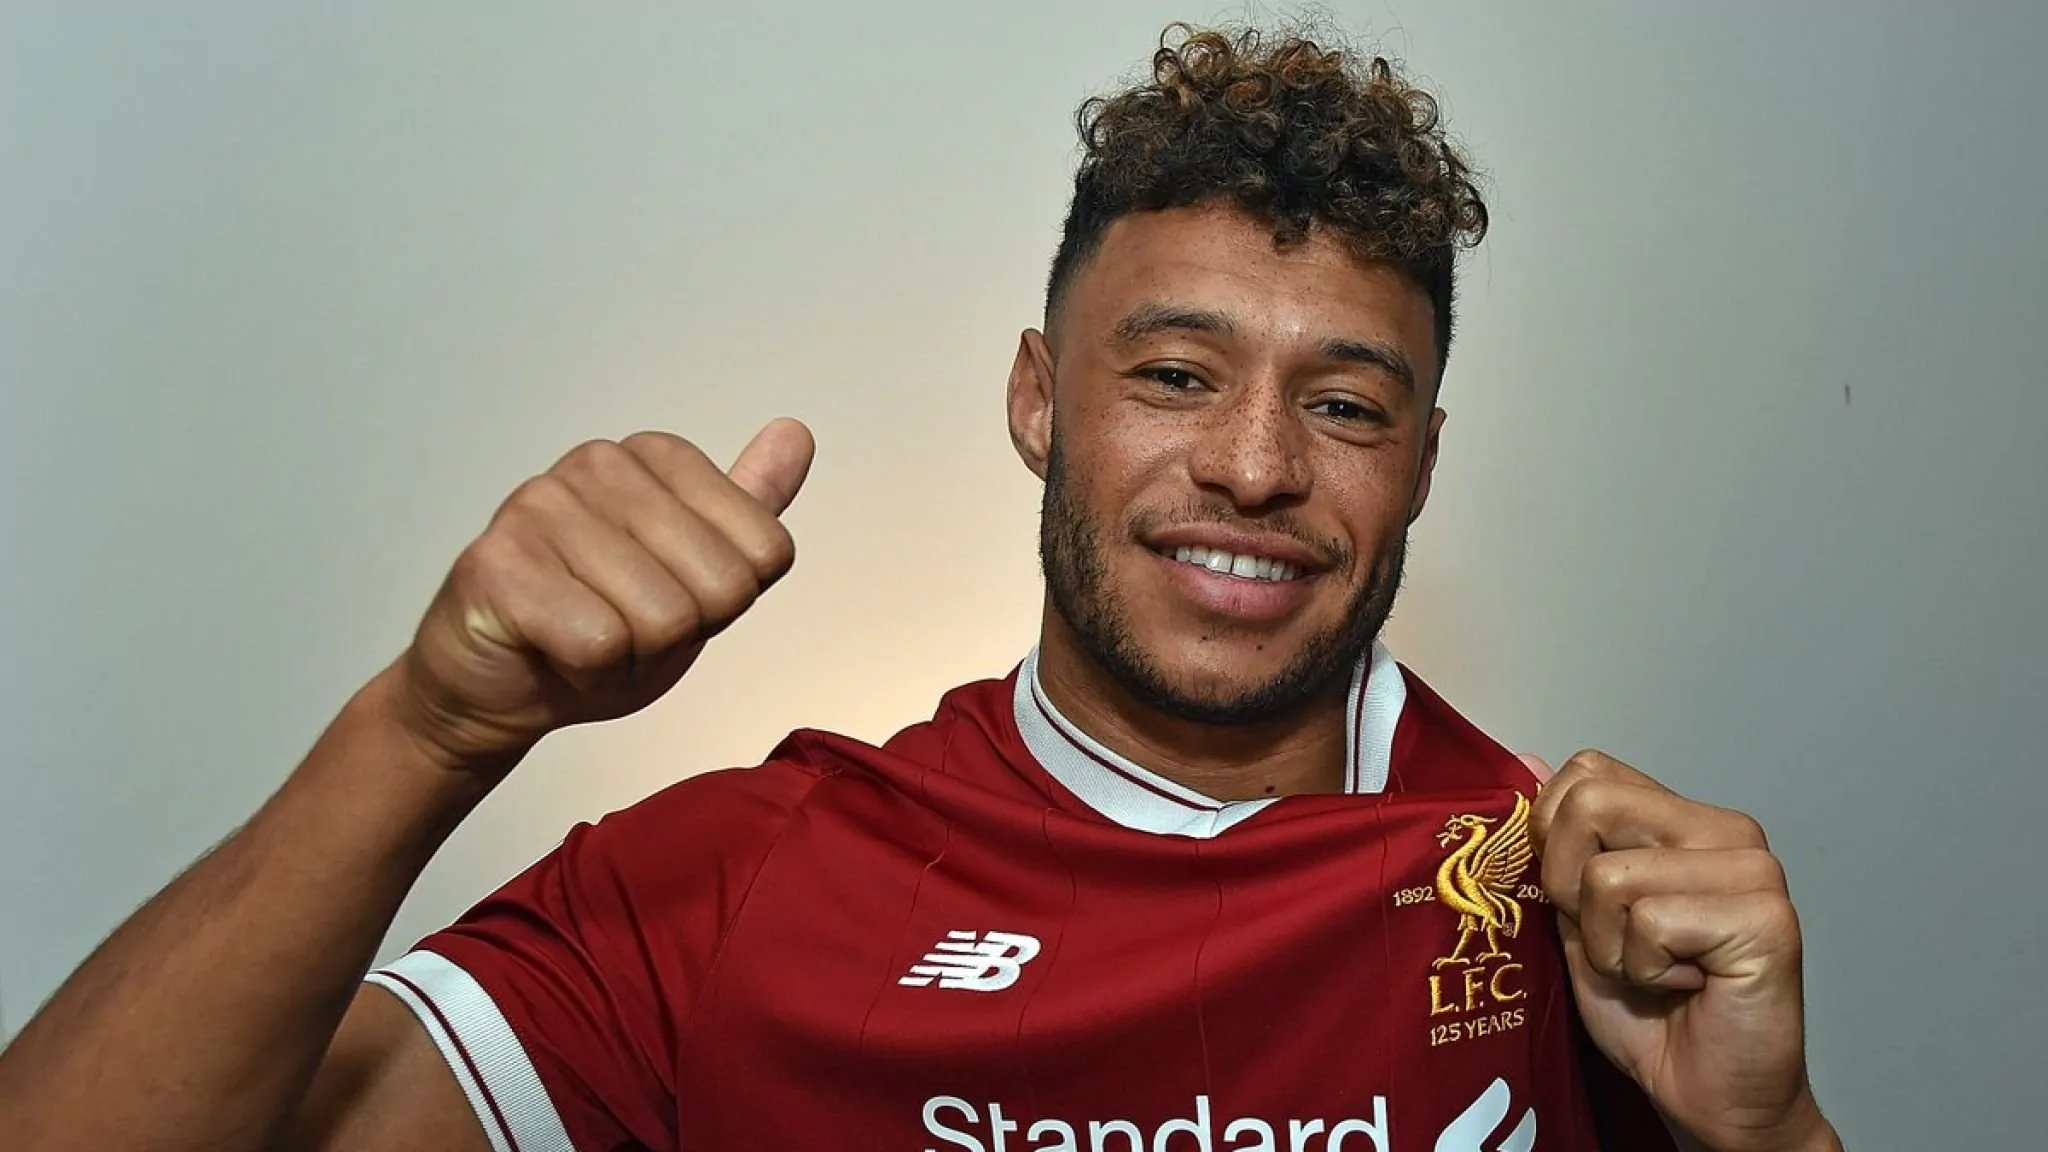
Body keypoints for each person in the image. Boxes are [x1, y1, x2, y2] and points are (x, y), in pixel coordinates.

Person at [0, 23, 1842, 1152]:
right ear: (1037, 401)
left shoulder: (1582, 914)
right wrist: (425, 731)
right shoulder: (743, 886)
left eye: (1345, 405)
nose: (1256, 467)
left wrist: (1770, 1142)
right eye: (1175, 374)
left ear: (1422, 461)